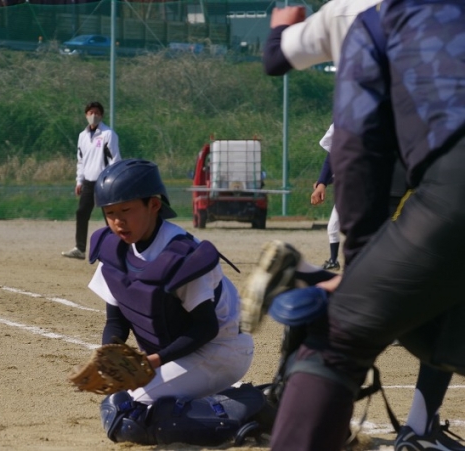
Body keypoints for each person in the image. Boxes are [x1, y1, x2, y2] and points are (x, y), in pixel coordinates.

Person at [256, 1, 465, 449]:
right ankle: (421, 428)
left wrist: (359, 265)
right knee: (441, 321)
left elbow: (355, 146)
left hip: (445, 186)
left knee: (342, 333)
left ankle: (312, 279)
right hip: (433, 190)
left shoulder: (371, 17)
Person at [87, 158, 254, 405]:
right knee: (118, 396)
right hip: (176, 352)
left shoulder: (182, 255)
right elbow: (115, 321)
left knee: (135, 403)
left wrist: (153, 361)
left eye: (126, 210)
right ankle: (211, 399)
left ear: (154, 205)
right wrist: (109, 358)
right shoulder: (114, 250)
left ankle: (249, 406)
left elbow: (206, 327)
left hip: (221, 350)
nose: (118, 221)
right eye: (110, 213)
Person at [62, 101, 121, 260]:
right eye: (90, 113)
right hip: (88, 182)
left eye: (96, 113)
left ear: (101, 115)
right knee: (82, 212)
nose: (93, 116)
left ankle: (117, 249)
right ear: (86, 115)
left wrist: (114, 180)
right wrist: (79, 181)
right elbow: (80, 160)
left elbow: (115, 159)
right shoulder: (82, 136)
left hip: (104, 181)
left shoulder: (108, 134)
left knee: (110, 216)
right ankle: (80, 249)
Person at [311, 124, 341, 270]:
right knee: (333, 227)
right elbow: (332, 157)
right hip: (349, 192)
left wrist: (323, 182)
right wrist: (322, 182)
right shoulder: (342, 124)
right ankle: (333, 260)